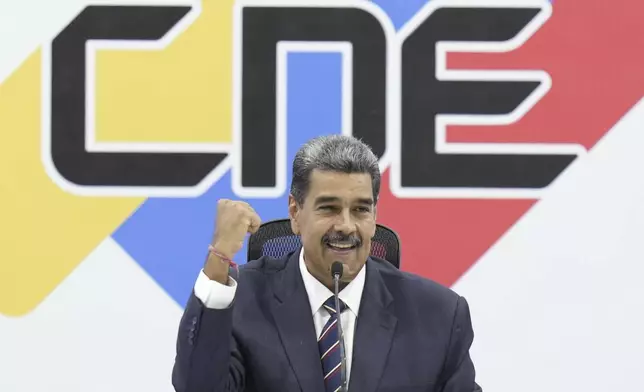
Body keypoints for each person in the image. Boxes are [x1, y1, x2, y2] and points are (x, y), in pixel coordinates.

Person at [171, 135, 482, 392]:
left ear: (374, 217)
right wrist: (219, 258)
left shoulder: (438, 315)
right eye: (329, 208)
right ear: (295, 212)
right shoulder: (244, 301)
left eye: (360, 210)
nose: (346, 225)